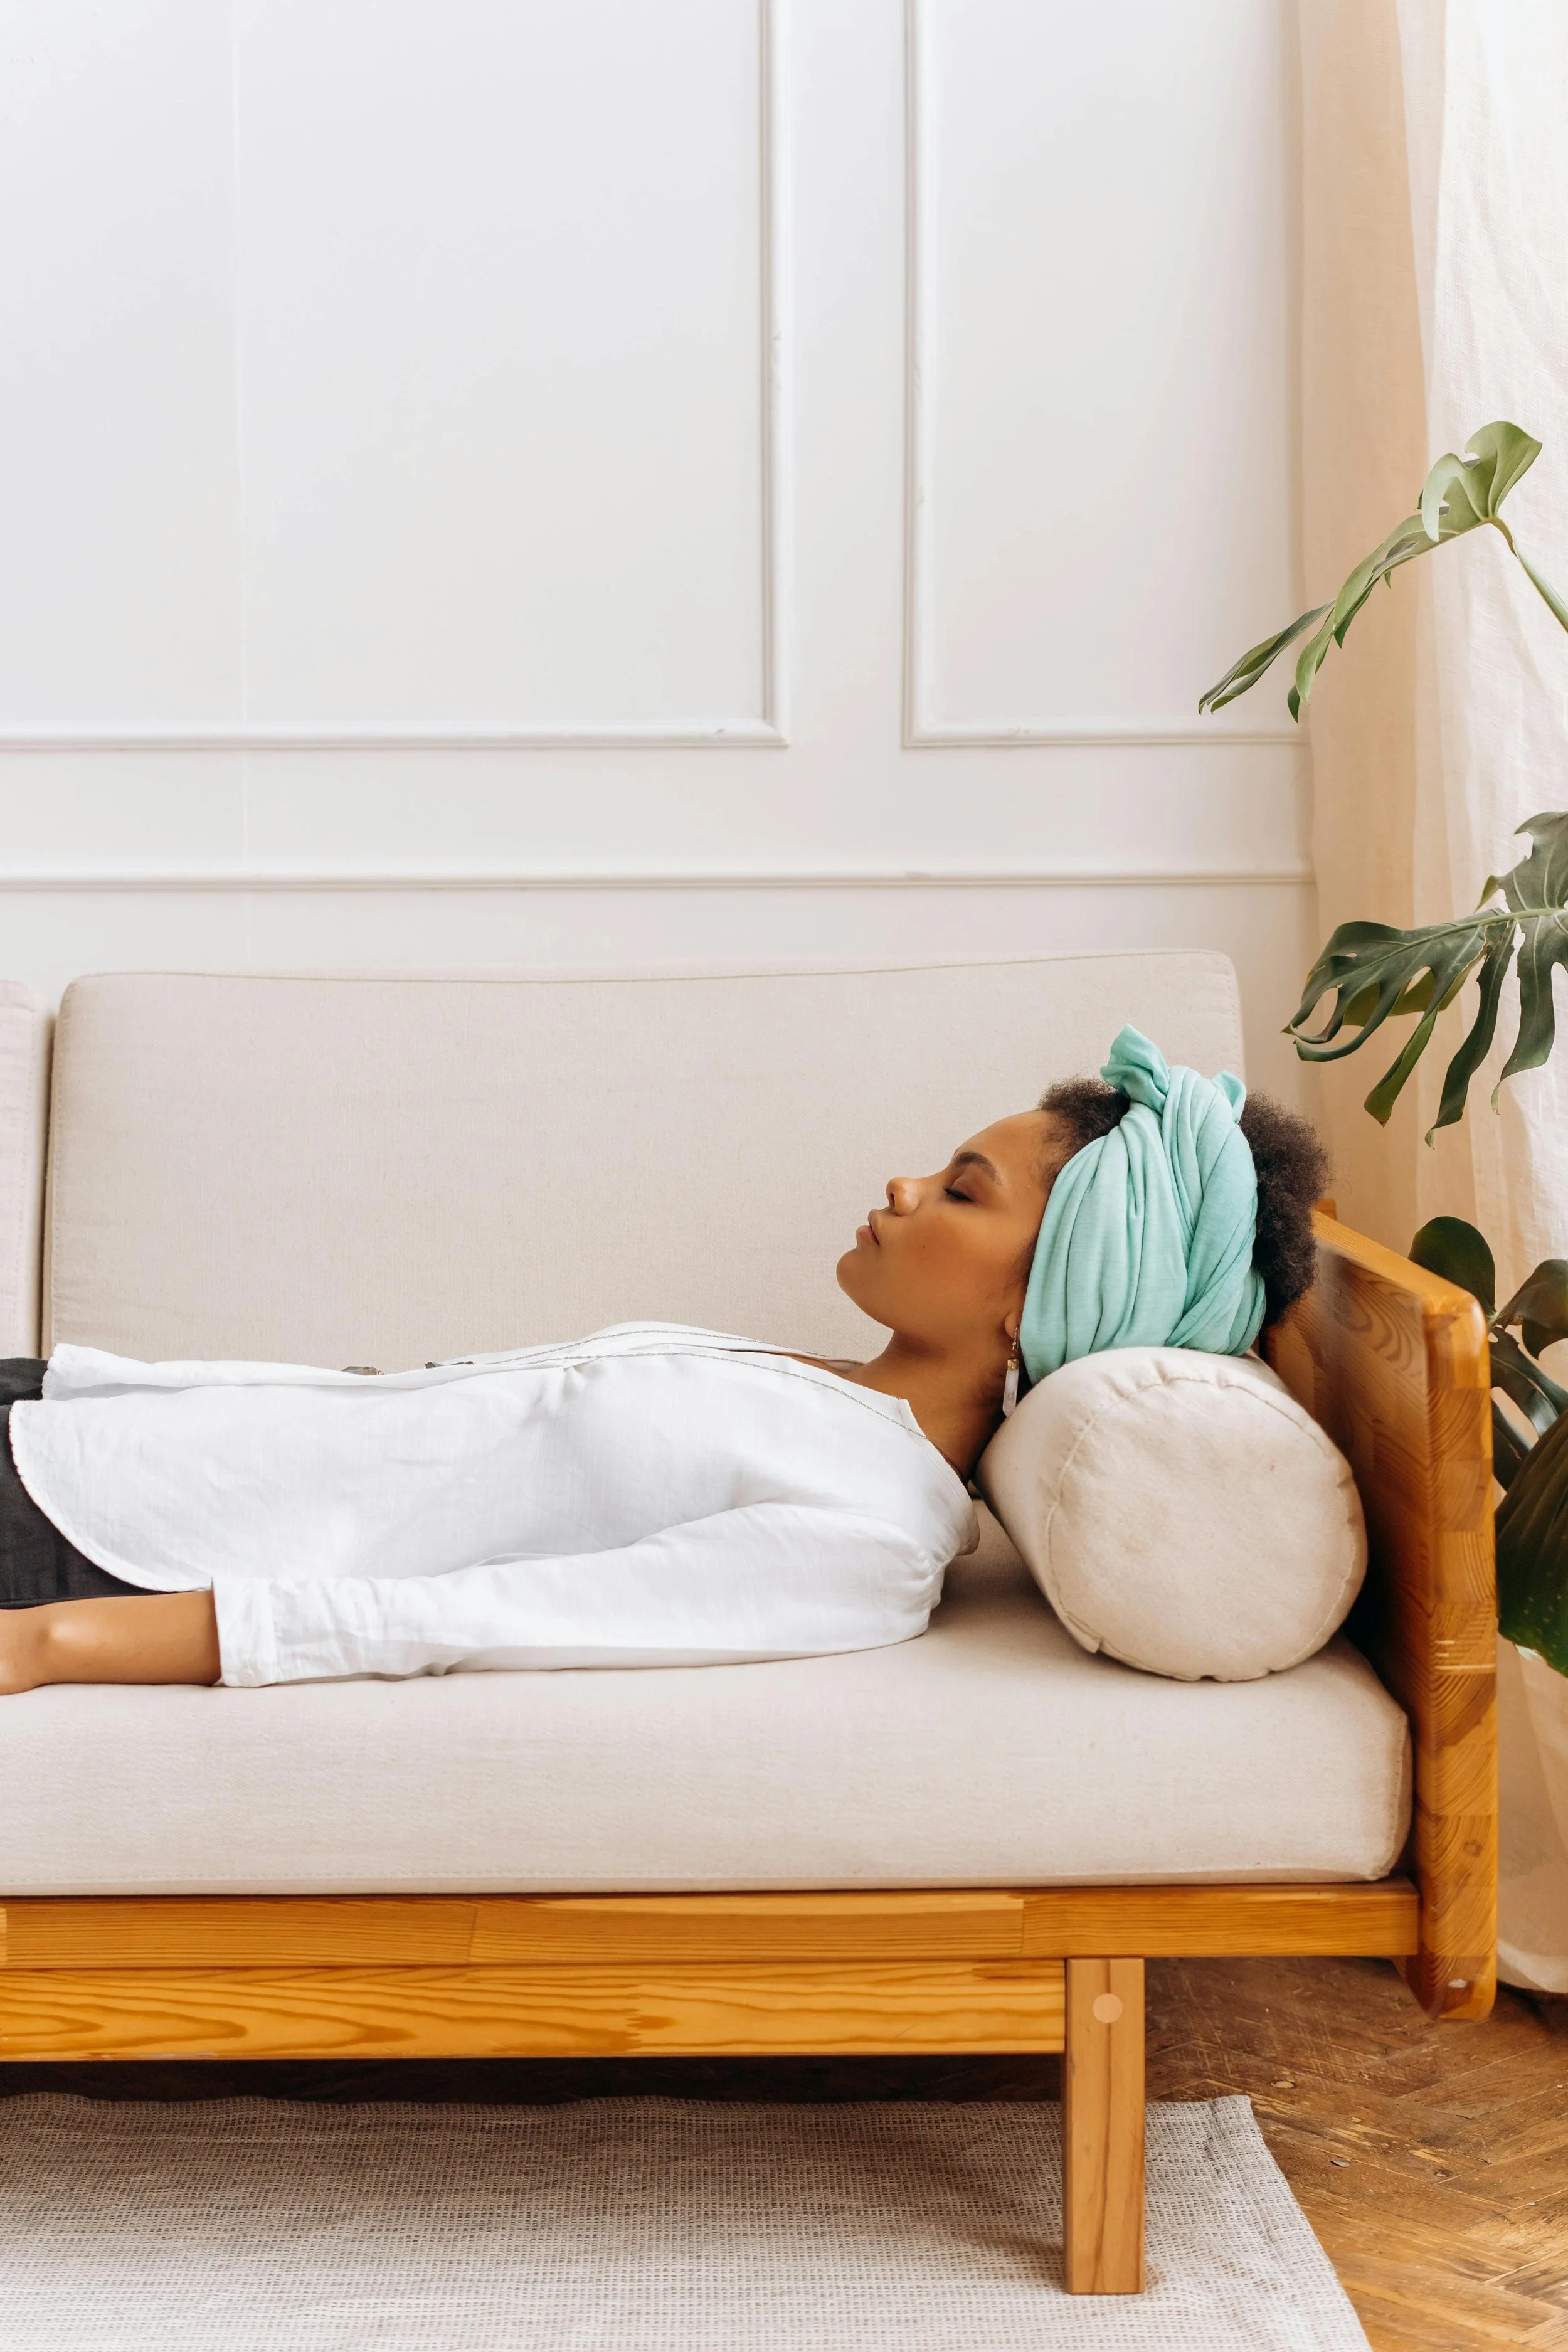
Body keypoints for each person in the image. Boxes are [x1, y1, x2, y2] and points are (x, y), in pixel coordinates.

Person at [0, 1027, 1327, 1697]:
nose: (904, 1184)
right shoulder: (822, 1390)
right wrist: (73, 1384)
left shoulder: (866, 1536)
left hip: (97, 1543)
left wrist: (50, 1646)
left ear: (1041, 1300)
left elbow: (478, 1619)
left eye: (963, 1193)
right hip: (70, 1428)